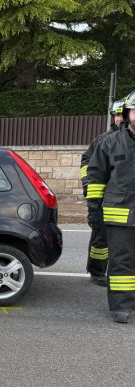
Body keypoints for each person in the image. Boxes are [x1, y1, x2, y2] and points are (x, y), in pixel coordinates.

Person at [86, 91, 135, 324]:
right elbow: (95, 180)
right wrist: (94, 211)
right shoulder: (109, 143)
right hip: (119, 216)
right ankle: (121, 306)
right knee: (121, 262)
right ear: (127, 114)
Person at [80, 99, 124, 286]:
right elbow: (86, 163)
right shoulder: (104, 140)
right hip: (106, 199)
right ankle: (97, 271)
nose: (119, 118)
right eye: (117, 115)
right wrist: (87, 185)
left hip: (126, 200)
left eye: (122, 114)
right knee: (101, 237)